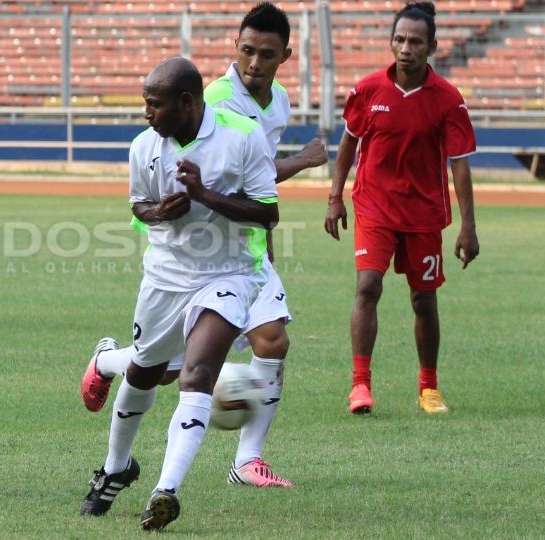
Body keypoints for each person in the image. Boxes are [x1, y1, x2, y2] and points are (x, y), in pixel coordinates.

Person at [81, 1, 327, 488]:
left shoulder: (278, 100)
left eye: (267, 54)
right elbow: (232, 172)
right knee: (161, 371)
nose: (255, 63)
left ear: (285, 56)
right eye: (247, 51)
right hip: (196, 255)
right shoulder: (207, 98)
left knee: (273, 340)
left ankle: (246, 460)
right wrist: (302, 161)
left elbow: (253, 179)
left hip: (243, 249)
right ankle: (108, 359)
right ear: (234, 49)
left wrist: (265, 234)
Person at [79, 57, 279, 531]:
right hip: (165, 277)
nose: (146, 113)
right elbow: (138, 207)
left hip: (229, 273)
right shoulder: (144, 146)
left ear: (186, 103)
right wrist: (159, 213)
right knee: (145, 372)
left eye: (154, 104)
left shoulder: (242, 136)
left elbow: (267, 214)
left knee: (198, 373)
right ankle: (116, 468)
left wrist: (206, 196)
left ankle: (164, 491)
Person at [325, 1, 479, 415]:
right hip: (374, 207)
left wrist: (468, 227)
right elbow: (347, 145)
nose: (405, 47)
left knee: (423, 301)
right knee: (367, 287)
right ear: (390, 42)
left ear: (431, 47)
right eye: (399, 39)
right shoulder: (368, 90)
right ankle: (360, 385)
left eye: (415, 41)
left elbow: (460, 165)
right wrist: (335, 196)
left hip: (424, 214)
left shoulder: (448, 99)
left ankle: (428, 386)